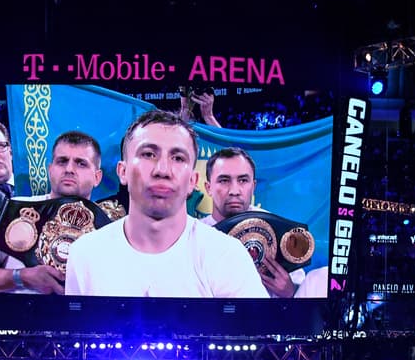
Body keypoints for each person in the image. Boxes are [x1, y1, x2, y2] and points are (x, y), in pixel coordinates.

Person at [64, 110, 267, 298]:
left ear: (192, 181)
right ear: (122, 171)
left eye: (178, 158)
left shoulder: (227, 256)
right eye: (148, 154)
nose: (163, 170)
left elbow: (256, 336)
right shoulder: (85, 254)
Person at [0, 129, 104, 294]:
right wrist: (20, 277)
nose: (69, 169)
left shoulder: (110, 225)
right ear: (50, 170)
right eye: (62, 161)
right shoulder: (16, 209)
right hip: (21, 317)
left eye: (81, 163)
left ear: (97, 177)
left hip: (91, 318)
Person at [203, 147, 304, 298]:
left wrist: (291, 291)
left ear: (253, 186)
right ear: (208, 188)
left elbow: (306, 299)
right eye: (224, 181)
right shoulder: (194, 234)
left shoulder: (279, 230)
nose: (234, 190)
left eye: (243, 180)